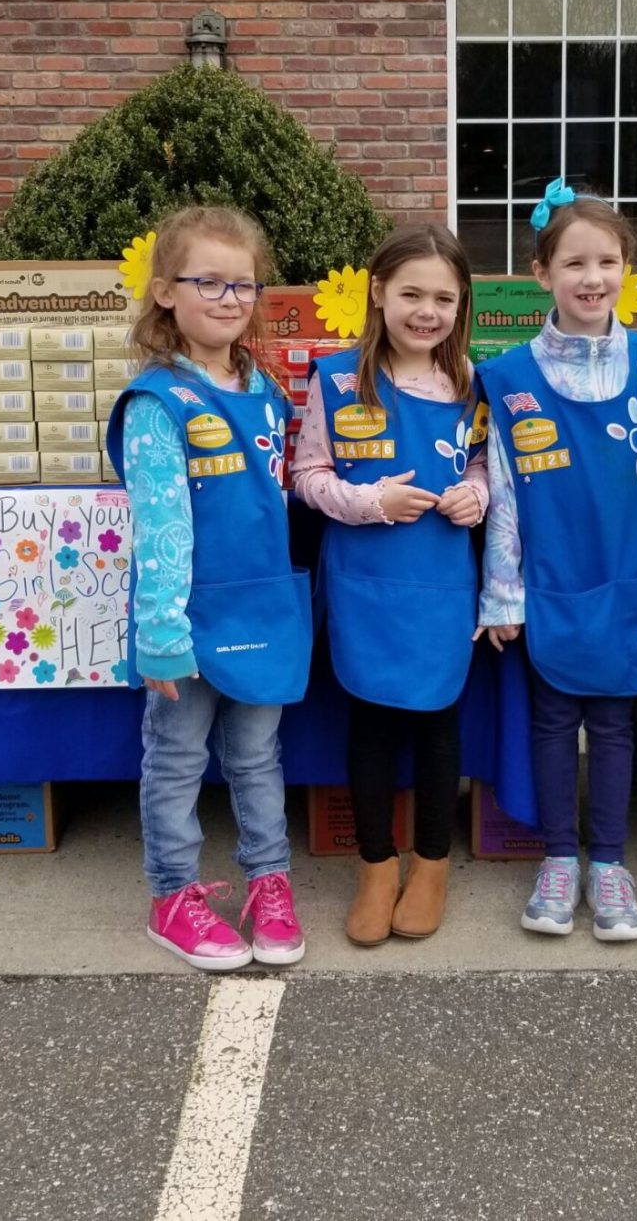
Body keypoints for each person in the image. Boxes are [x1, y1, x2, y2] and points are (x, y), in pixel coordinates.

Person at [478, 179, 637, 942]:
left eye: (608, 260)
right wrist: (503, 594)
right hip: (550, 582)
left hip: (633, 578)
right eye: (574, 262)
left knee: (613, 722)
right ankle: (557, 856)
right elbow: (501, 488)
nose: (592, 277)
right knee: (550, 717)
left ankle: (608, 861)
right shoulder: (506, 379)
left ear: (627, 269)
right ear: (542, 273)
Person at [106, 206, 312, 972]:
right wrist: (160, 631)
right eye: (209, 282)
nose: (230, 298)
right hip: (186, 617)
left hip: (262, 605)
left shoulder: (265, 388)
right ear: (164, 290)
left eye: (244, 284)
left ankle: (269, 880)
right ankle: (173, 893)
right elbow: (161, 526)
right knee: (178, 753)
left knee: (259, 753)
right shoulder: (158, 403)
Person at [293, 223, 489, 947]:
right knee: (371, 725)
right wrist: (370, 501)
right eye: (411, 293)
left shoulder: (471, 381)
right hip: (366, 582)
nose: (426, 310)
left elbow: (480, 465)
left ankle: (432, 865)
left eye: (443, 296)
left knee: (439, 726)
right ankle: (377, 865)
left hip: (439, 581)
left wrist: (478, 494)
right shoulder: (337, 378)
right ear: (378, 292)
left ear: (461, 301)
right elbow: (307, 476)